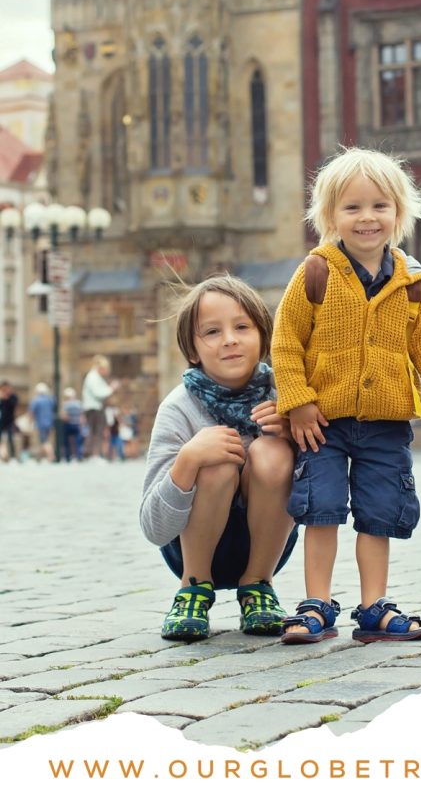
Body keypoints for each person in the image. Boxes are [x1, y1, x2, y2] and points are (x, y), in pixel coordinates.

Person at [271, 147, 421, 645]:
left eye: (380, 206)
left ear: (399, 213)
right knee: (322, 508)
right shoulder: (315, 272)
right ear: (330, 216)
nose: (367, 218)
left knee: (378, 514)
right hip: (325, 423)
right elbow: (286, 340)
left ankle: (373, 604)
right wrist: (297, 399)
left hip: (386, 424)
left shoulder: (412, 284)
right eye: (352, 208)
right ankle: (317, 601)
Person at [140, 274, 298, 642]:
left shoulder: (287, 396)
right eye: (211, 332)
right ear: (193, 350)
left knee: (273, 450)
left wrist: (294, 434)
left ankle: (258, 585)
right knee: (216, 455)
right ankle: (193, 590)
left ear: (262, 336)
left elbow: (325, 490)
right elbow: (154, 528)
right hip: (188, 549)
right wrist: (186, 462)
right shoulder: (178, 408)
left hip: (267, 544)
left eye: (242, 326)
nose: (229, 339)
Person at [81, 354, 115, 458]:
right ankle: (93, 454)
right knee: (96, 431)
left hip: (95, 407)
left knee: (95, 431)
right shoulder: (93, 377)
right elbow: (98, 393)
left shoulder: (95, 377)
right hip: (94, 408)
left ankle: (92, 453)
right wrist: (111, 389)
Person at [29, 382, 56, 461]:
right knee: (46, 440)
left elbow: (31, 412)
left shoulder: (36, 401)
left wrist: (30, 421)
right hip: (50, 423)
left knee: (44, 441)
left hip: (41, 423)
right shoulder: (50, 399)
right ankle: (39, 457)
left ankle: (51, 456)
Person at [61, 387, 85, 462]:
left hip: (68, 424)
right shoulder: (78, 403)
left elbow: (64, 416)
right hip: (77, 424)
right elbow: (82, 415)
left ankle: (68, 457)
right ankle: (79, 456)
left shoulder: (66, 404)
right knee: (78, 441)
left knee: (67, 441)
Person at [0, 381, 18, 461]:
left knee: (11, 438)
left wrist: (6, 398)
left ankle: (12, 455)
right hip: (1, 420)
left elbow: (14, 405)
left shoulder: (13, 396)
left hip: (9, 421)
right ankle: (3, 454)